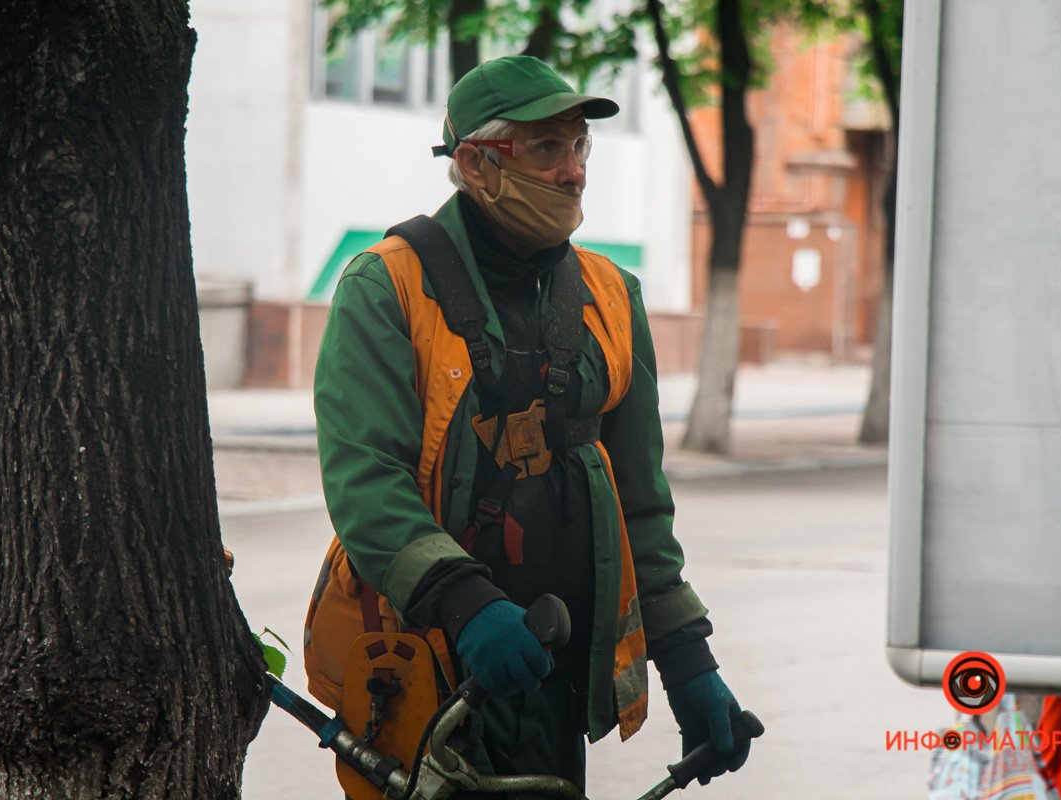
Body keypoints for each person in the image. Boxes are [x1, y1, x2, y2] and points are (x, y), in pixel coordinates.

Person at [305, 54, 751, 796]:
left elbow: (640, 502)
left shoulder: (611, 295)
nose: (574, 172)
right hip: (426, 663)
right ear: (476, 165)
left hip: (554, 672)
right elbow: (366, 482)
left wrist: (687, 658)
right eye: (547, 148)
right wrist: (465, 602)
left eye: (579, 146)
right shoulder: (385, 287)